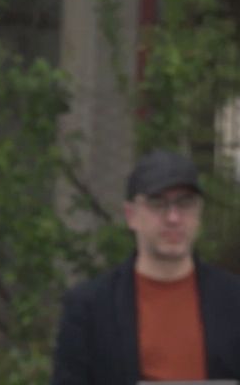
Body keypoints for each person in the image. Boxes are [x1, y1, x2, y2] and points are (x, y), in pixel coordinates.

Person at [51, 150, 240, 385]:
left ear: (199, 213)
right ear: (131, 215)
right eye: (158, 203)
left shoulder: (233, 300)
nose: (173, 218)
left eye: (185, 203)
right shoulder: (90, 307)